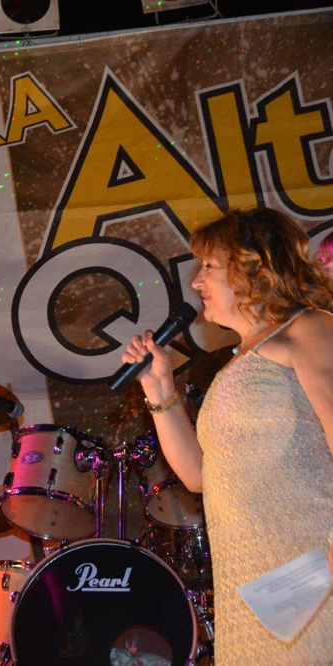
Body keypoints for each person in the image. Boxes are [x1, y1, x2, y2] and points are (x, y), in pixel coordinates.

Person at [121, 207, 333, 663]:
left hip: (312, 574)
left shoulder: (309, 327)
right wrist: (160, 389)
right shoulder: (236, 362)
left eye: (208, 266)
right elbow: (200, 476)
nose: (197, 282)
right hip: (251, 586)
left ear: (255, 266)